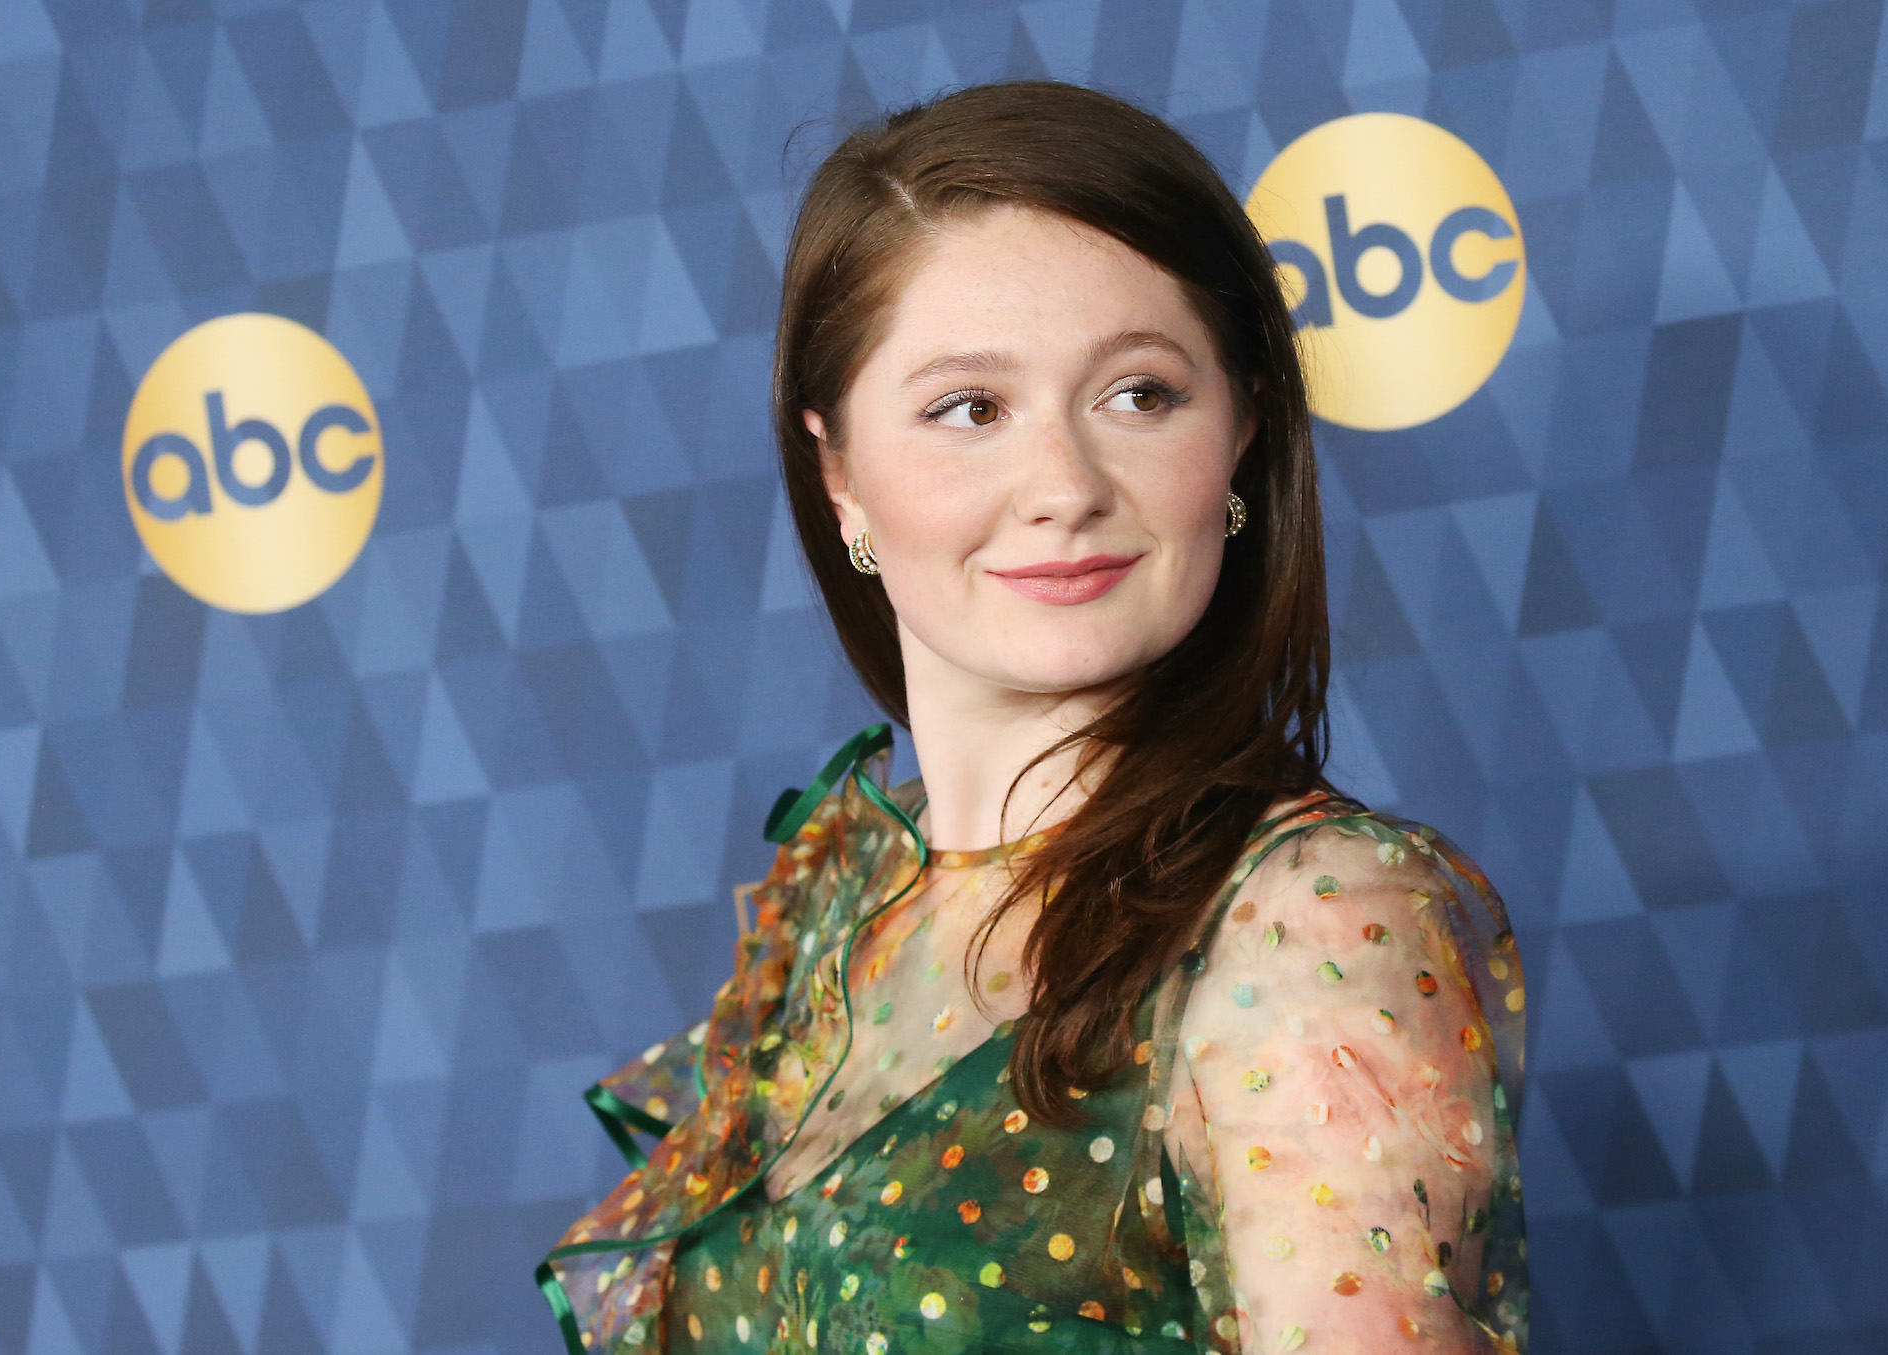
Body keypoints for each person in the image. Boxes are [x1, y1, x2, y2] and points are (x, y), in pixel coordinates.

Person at [537, 81, 1527, 1355]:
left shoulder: (1306, 916)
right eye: (969, 409)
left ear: (1239, 431)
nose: (1062, 485)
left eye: (1138, 394)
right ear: (839, 472)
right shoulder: (841, 897)